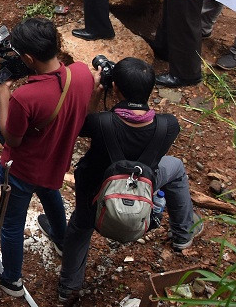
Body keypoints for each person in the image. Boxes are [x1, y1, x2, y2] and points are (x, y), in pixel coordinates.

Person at [57, 57, 200, 303]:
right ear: (151, 89)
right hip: (142, 188)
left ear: (115, 88)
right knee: (175, 167)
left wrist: (94, 95)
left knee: (80, 227)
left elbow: (81, 125)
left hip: (96, 196)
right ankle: (183, 234)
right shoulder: (169, 125)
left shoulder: (101, 123)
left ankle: (68, 287)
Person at [0, 18, 95, 298]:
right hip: (55, 161)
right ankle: (62, 240)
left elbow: (11, 139)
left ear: (27, 58)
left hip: (22, 170)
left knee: (11, 224)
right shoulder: (82, 74)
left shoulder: (25, 97)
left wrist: (4, 92)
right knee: (51, 195)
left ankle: (12, 280)